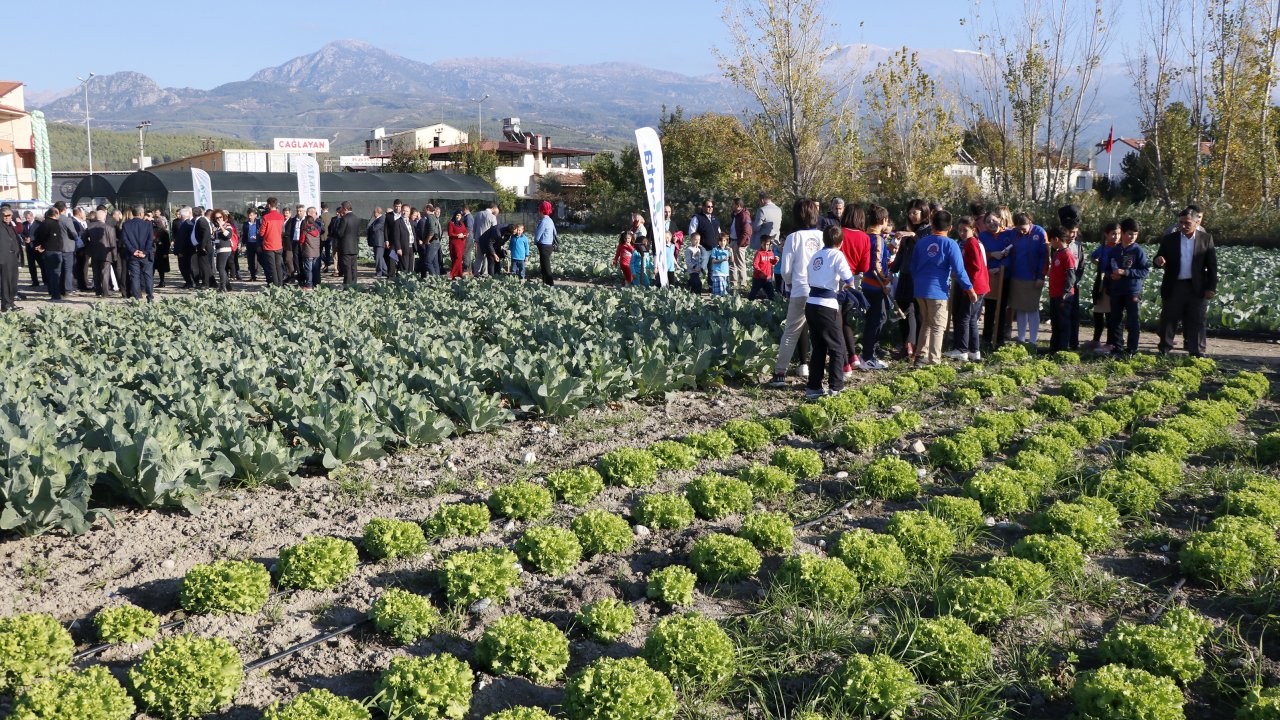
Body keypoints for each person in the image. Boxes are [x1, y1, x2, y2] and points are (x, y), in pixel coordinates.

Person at [769, 199, 823, 387]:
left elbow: (785, 270)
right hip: (821, 292)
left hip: (801, 289)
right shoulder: (822, 236)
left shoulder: (793, 237)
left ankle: (779, 374)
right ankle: (820, 372)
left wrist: (791, 283)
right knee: (821, 334)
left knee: (791, 331)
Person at [911, 211, 977, 365]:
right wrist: (970, 290)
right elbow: (959, 271)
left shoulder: (921, 242)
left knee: (926, 322)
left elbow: (913, 267)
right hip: (938, 290)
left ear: (932, 225)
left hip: (920, 289)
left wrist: (919, 283)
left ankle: (920, 357)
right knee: (938, 326)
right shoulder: (950, 244)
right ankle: (934, 361)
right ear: (951, 227)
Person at [1153, 206, 1218, 357]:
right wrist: (1158, 261)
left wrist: (1211, 287)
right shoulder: (1169, 239)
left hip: (1197, 286)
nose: (1183, 226)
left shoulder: (1206, 239)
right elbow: (1158, 259)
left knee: (1197, 320)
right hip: (1175, 285)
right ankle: (1164, 349)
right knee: (1169, 318)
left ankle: (1197, 352)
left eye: (1187, 223)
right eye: (1180, 223)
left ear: (1197, 222)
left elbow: (1212, 266)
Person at [803, 225, 857, 397]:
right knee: (837, 347)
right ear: (841, 242)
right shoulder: (837, 255)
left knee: (818, 346)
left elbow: (810, 278)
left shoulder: (816, 256)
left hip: (811, 303)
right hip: (827, 305)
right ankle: (836, 386)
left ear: (824, 240)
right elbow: (849, 279)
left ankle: (814, 387)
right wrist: (846, 291)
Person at [891, 200, 930, 358]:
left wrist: (912, 235)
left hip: (918, 276)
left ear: (924, 213)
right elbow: (901, 253)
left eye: (915, 212)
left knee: (913, 310)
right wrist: (892, 270)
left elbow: (923, 245)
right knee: (901, 309)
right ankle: (906, 345)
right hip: (905, 274)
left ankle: (913, 346)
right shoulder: (907, 230)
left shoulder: (928, 230)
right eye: (910, 213)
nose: (912, 216)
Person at [1003, 213, 1048, 345]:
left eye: (1024, 228)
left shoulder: (1039, 232)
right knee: (1020, 307)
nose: (1022, 231)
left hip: (1033, 277)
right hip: (1017, 276)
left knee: (1032, 308)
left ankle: (1033, 341)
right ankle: (1021, 339)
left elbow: (1044, 255)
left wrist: (1041, 275)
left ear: (1030, 222)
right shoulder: (1014, 233)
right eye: (1019, 229)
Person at [1107, 218, 1149, 356]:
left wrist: (1125, 272)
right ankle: (1117, 347)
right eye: (1130, 233)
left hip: (1132, 291)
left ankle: (1132, 349)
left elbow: (1144, 271)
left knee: (1133, 320)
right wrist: (1111, 275)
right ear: (1123, 233)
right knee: (1115, 319)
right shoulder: (1115, 250)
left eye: (1135, 234)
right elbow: (1107, 268)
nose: (1132, 237)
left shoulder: (1138, 251)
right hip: (1117, 290)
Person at [860, 205, 894, 370]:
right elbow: (876, 264)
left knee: (872, 320)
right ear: (883, 220)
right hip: (876, 286)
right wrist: (886, 281)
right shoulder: (878, 239)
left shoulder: (866, 236)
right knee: (879, 319)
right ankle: (868, 356)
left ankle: (867, 354)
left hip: (866, 283)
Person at [838, 204, 871, 372]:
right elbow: (864, 266)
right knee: (846, 319)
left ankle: (845, 360)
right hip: (854, 281)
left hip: (837, 281)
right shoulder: (865, 237)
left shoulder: (839, 233)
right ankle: (853, 355)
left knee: (837, 321)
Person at [952, 218, 989, 361]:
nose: (961, 233)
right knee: (972, 319)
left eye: (965, 230)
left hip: (974, 286)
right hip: (977, 286)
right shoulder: (969, 243)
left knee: (964, 318)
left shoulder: (972, 243)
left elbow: (975, 267)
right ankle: (974, 351)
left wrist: (969, 288)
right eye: (959, 230)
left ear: (973, 230)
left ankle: (962, 349)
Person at [980, 211, 1012, 348]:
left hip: (1004, 275)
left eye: (993, 220)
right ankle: (986, 337)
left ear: (999, 219)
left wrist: (1001, 268)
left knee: (1002, 307)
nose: (991, 223)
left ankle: (999, 338)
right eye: (987, 222)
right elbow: (980, 255)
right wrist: (991, 255)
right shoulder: (982, 236)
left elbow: (1012, 255)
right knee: (990, 307)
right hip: (989, 275)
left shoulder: (1008, 234)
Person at [1089, 221, 1121, 351]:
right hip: (1101, 282)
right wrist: (1098, 263)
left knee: (1110, 314)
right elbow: (1093, 257)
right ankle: (1096, 340)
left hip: (1113, 283)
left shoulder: (1120, 249)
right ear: (1106, 235)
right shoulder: (1103, 248)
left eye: (1118, 234)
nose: (1116, 237)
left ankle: (1110, 342)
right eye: (1113, 234)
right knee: (1098, 312)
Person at [1046, 226, 1077, 352]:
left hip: (1063, 295)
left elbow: (1071, 276)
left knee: (1063, 323)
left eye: (1051, 240)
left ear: (1056, 239)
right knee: (1056, 322)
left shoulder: (1067, 254)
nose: (1050, 243)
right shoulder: (1057, 253)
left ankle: (1063, 349)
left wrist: (1066, 292)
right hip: (1054, 293)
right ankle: (1054, 348)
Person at [120, 206, 155, 302]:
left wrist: (133, 250)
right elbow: (150, 240)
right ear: (141, 214)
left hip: (133, 255)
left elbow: (125, 240)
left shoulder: (126, 224)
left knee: (135, 276)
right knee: (148, 276)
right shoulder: (148, 225)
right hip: (145, 255)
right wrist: (145, 252)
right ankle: (150, 296)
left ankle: (136, 298)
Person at [85, 209, 122, 297]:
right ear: (104, 217)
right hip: (106, 252)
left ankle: (98, 291)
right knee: (105, 272)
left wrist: (89, 247)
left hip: (94, 252)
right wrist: (114, 256)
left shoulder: (89, 227)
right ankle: (105, 291)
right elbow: (113, 243)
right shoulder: (109, 228)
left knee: (96, 272)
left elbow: (84, 238)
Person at [260, 197, 286, 286]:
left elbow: (262, 232)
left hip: (268, 245)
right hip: (279, 244)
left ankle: (275, 285)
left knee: (272, 267)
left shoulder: (266, 217)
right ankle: (280, 284)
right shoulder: (281, 217)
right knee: (279, 265)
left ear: (269, 205)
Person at [729, 198, 753, 290]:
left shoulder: (744, 215)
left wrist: (740, 243)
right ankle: (733, 283)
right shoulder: (735, 215)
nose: (732, 206)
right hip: (733, 241)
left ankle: (743, 285)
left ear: (738, 205)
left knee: (740, 264)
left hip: (739, 243)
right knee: (732, 263)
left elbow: (747, 231)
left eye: (733, 204)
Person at [210, 209, 235, 292]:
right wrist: (213, 234)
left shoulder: (227, 225)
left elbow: (228, 235)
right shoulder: (216, 228)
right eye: (216, 218)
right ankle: (228, 286)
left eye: (220, 217)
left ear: (223, 217)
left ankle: (223, 286)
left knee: (221, 268)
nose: (219, 219)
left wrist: (221, 227)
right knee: (220, 268)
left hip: (225, 249)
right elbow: (215, 240)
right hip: (219, 249)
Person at [0, 207, 20, 310]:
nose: (9, 218)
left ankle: (11, 302)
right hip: (4, 257)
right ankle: (6, 304)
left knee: (13, 281)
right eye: (6, 216)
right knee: (6, 282)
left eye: (10, 215)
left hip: (13, 257)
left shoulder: (10, 225)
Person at [748, 236, 778, 301]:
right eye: (764, 244)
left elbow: (772, 263)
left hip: (767, 278)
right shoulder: (759, 253)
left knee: (771, 295)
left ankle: (772, 307)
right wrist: (760, 272)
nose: (766, 246)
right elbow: (755, 264)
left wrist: (775, 260)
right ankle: (748, 306)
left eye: (767, 244)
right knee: (753, 294)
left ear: (770, 244)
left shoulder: (771, 253)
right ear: (761, 243)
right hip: (758, 278)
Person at [299, 207, 323, 290]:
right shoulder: (317, 230)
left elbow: (301, 241)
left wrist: (301, 247)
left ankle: (309, 285)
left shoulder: (305, 230)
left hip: (308, 252)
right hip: (316, 253)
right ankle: (316, 285)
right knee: (316, 269)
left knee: (308, 270)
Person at [191, 207, 215, 288]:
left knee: (204, 266)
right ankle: (213, 282)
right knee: (206, 265)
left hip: (204, 247)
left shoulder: (201, 220)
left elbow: (206, 233)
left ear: (193, 213)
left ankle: (206, 283)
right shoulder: (198, 220)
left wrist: (202, 246)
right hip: (202, 246)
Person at [534, 200, 557, 286]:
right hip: (550, 245)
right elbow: (555, 232)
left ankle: (550, 284)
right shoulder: (550, 220)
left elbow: (538, 234)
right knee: (545, 265)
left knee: (545, 267)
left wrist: (535, 241)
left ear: (541, 210)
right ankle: (546, 283)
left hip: (543, 246)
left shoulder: (543, 221)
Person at [472, 203, 498, 276]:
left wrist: (475, 238)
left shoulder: (478, 214)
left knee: (478, 256)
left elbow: (474, 227)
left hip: (478, 239)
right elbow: (494, 230)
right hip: (487, 240)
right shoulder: (492, 217)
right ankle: (484, 273)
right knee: (486, 256)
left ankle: (476, 273)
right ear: (493, 208)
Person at [447, 211, 468, 279]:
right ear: (455, 215)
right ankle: (452, 273)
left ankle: (459, 274)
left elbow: (465, 231)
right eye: (457, 215)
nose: (458, 217)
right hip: (454, 243)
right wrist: (457, 235)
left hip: (461, 243)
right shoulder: (451, 223)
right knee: (457, 257)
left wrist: (464, 235)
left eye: (460, 215)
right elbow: (450, 233)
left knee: (459, 258)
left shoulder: (461, 223)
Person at [241, 209, 261, 281]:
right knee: (250, 261)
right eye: (249, 215)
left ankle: (264, 273)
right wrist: (243, 245)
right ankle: (253, 276)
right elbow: (244, 235)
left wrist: (258, 236)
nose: (250, 217)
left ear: (255, 215)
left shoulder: (259, 223)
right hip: (249, 244)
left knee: (261, 260)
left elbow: (262, 232)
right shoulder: (246, 224)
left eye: (251, 215)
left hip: (258, 244)